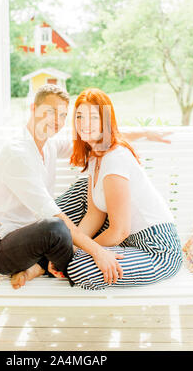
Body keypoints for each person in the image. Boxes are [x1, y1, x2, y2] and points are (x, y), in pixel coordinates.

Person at [0, 84, 173, 290]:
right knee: (55, 226)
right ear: (33, 108)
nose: (57, 120)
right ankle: (50, 263)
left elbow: (95, 135)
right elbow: (53, 215)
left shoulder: (48, 144)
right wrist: (96, 251)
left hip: (30, 235)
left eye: (63, 115)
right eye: (50, 112)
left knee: (79, 196)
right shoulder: (17, 154)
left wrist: (145, 132)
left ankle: (45, 265)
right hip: (1, 245)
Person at [55, 87, 182, 290]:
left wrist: (77, 253)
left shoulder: (115, 157)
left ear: (105, 121)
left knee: (79, 267)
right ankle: (42, 245)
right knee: (76, 201)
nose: (84, 124)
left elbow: (119, 231)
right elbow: (93, 216)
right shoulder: (95, 158)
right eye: (79, 116)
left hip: (158, 249)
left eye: (93, 117)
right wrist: (69, 247)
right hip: (128, 243)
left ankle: (54, 256)